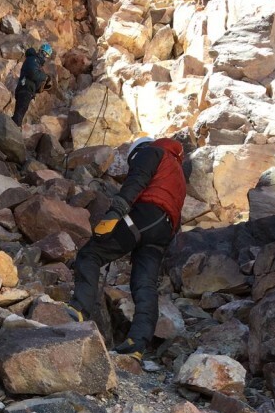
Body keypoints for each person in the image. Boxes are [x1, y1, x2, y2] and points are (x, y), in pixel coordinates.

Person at [68, 134, 188, 359]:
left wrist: (115, 212)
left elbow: (137, 180)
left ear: (136, 152)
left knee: (91, 254)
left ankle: (78, 310)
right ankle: (137, 344)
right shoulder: (178, 173)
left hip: (143, 216)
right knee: (144, 284)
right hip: (163, 230)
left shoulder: (152, 152)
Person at [12, 42, 53, 127]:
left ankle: (12, 128)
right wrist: (45, 77)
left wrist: (42, 85)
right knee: (20, 112)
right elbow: (33, 74)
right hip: (25, 88)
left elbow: (35, 79)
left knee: (20, 111)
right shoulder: (33, 59)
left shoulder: (36, 62)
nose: (44, 56)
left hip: (27, 89)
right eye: (43, 53)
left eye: (47, 55)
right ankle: (12, 130)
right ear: (40, 51)